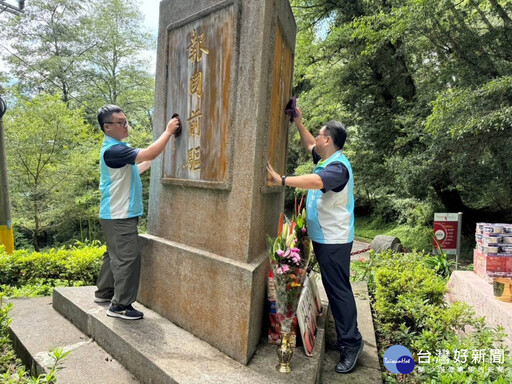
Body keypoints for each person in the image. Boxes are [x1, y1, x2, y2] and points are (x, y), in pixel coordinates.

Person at [267, 105, 363, 373]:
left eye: (321, 135)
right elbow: (310, 143)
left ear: (329, 140)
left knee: (338, 290)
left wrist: (281, 179)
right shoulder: (326, 159)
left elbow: (316, 181)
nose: (317, 139)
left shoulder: (337, 169)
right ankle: (348, 336)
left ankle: (351, 343)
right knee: (336, 288)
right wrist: (298, 122)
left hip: (334, 240)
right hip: (325, 238)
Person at [94, 105, 180, 320]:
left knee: (113, 255)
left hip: (112, 214)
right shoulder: (114, 150)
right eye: (121, 122)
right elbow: (148, 152)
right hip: (119, 215)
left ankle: (104, 292)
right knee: (127, 258)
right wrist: (169, 131)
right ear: (107, 127)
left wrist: (149, 161)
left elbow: (136, 166)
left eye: (126, 121)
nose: (126, 125)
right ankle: (120, 306)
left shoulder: (115, 148)